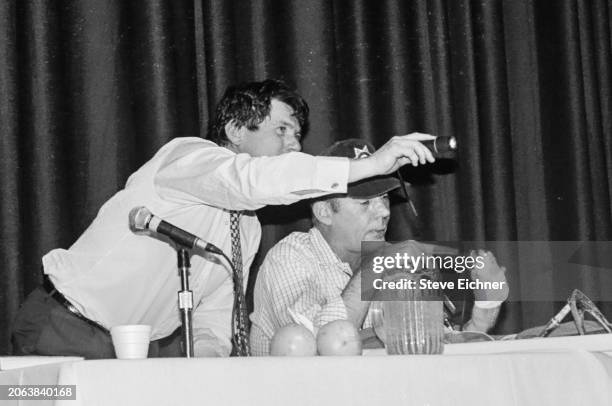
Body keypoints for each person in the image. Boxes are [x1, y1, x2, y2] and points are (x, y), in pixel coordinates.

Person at [11, 80, 437, 358]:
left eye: (299, 135)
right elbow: (250, 180)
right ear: (235, 129)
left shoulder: (246, 227)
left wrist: (211, 370)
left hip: (139, 352)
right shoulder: (187, 158)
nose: (294, 144)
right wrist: (369, 165)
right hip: (63, 327)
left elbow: (213, 315)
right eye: (282, 130)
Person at [250, 139, 509, 355]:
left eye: (384, 198)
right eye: (365, 203)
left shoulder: (397, 260)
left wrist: (486, 307)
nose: (384, 212)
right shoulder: (289, 257)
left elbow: (434, 349)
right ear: (325, 212)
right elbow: (316, 349)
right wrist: (375, 269)